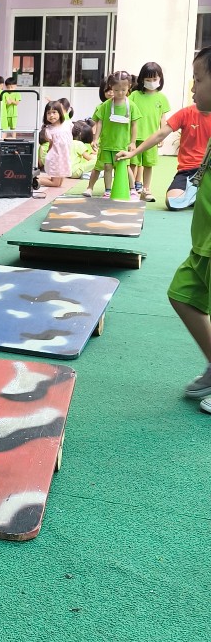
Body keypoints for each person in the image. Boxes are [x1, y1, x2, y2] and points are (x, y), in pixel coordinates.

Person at [142, 47, 211, 412]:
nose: (193, 87)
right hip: (202, 243)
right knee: (182, 295)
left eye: (198, 79)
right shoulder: (192, 115)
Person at [84, 71, 141, 199]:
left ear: (129, 87)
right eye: (116, 90)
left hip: (122, 144)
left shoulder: (131, 106)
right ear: (111, 87)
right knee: (107, 167)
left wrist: (132, 142)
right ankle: (108, 190)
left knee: (125, 167)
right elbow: (99, 122)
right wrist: (95, 138)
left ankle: (132, 189)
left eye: (123, 90)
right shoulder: (106, 105)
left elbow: (134, 125)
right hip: (107, 144)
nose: (120, 93)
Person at [128, 62, 171, 201]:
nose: (151, 82)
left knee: (148, 165)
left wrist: (162, 136)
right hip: (134, 137)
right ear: (142, 79)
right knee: (132, 163)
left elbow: (162, 118)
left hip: (152, 138)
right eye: (148, 79)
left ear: (160, 79)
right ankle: (131, 189)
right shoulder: (135, 95)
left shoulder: (161, 98)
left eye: (154, 79)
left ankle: (146, 190)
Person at [37, 101, 73, 188]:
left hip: (64, 157)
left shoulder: (67, 124)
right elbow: (51, 144)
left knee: (59, 183)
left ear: (60, 112)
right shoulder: (49, 130)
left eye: (54, 112)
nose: (51, 115)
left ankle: (38, 179)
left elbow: (66, 113)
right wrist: (49, 156)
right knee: (56, 183)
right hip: (56, 158)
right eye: (48, 113)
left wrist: (59, 104)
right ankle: (37, 180)